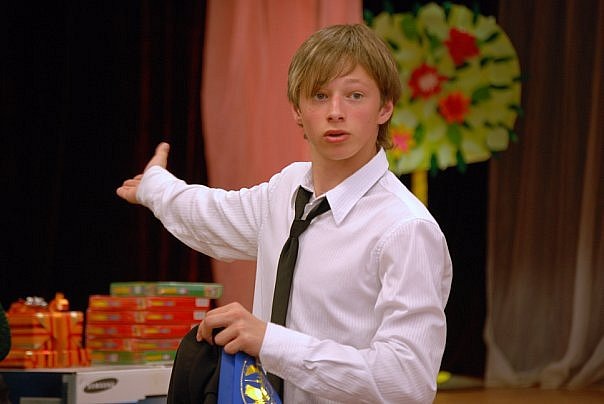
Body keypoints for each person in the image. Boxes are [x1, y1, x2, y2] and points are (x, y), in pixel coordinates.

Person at [117, 23, 452, 403]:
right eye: (319, 96)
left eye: (355, 95)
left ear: (385, 107)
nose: (335, 112)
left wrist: (270, 342)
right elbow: (213, 215)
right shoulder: (287, 190)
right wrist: (155, 187)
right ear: (297, 110)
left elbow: (407, 380)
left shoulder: (406, 229)